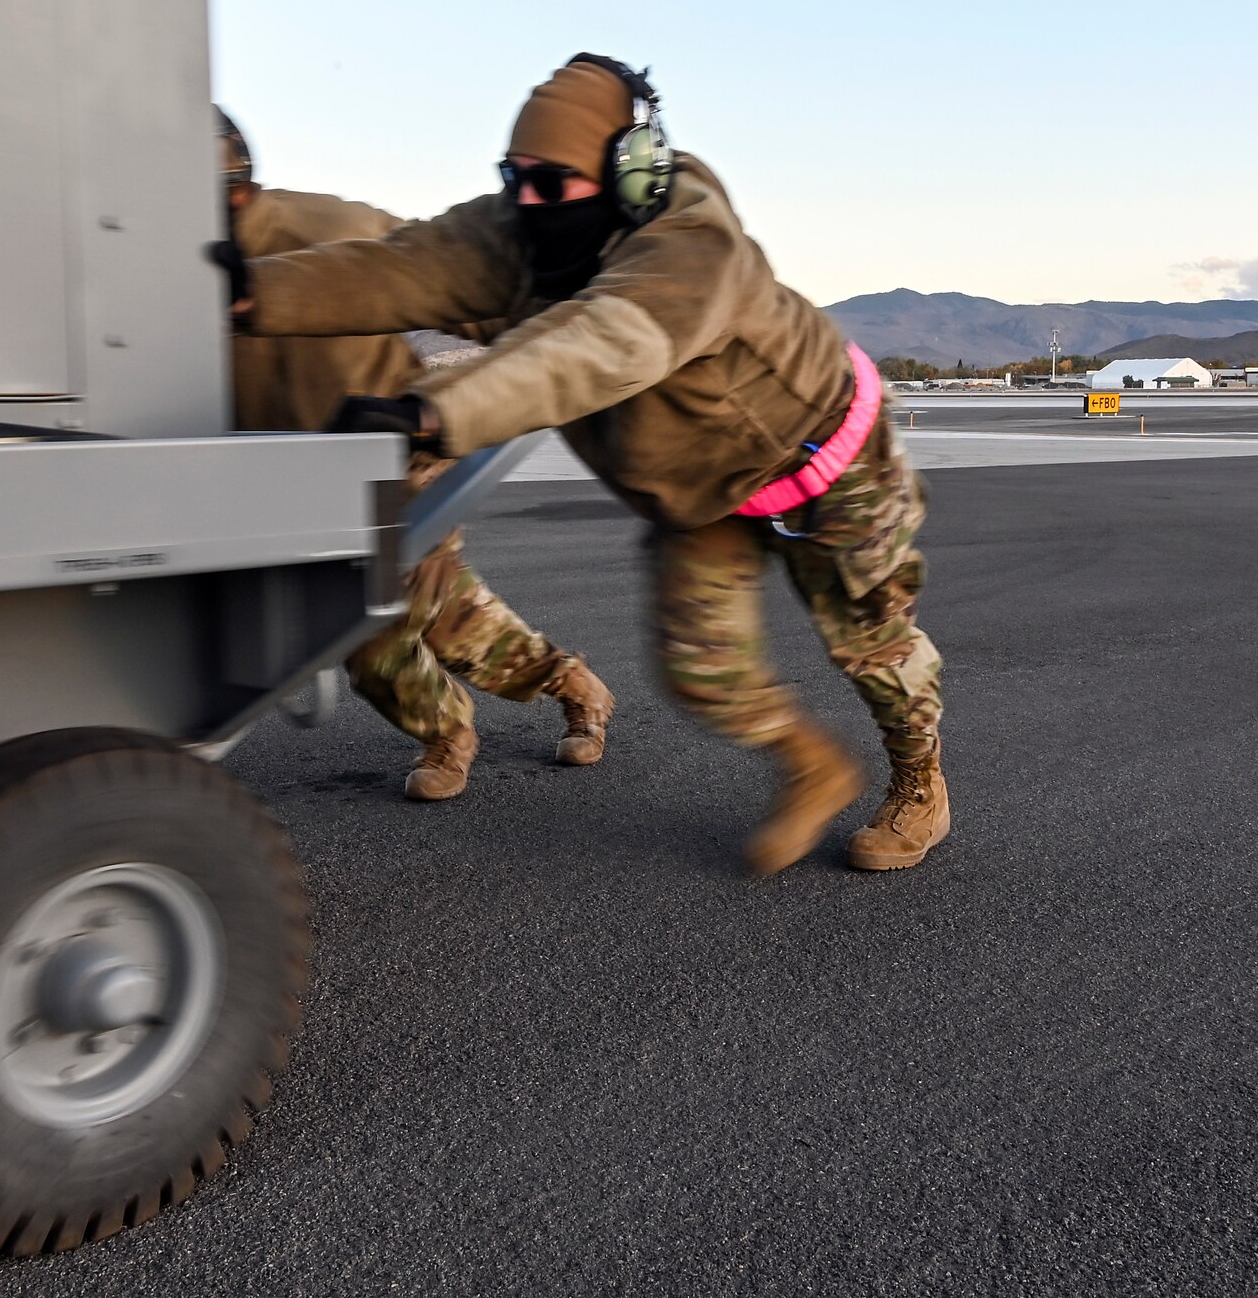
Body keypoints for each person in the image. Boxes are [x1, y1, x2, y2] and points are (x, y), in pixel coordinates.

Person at [217, 59, 948, 873]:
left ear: (632, 174)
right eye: (514, 177)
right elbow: (404, 264)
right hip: (706, 497)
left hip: (829, 464)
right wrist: (250, 294)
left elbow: (603, 344)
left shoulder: (692, 245)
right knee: (702, 672)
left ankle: (918, 781)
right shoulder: (519, 228)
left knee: (874, 648)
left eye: (552, 184)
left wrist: (439, 410)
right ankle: (813, 762)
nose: (528, 201)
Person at [215, 106, 615, 802]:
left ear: (236, 187)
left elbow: (457, 282)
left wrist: (532, 369)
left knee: (391, 614)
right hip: (291, 474)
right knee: (392, 629)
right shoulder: (155, 280)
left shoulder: (326, 228)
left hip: (396, 449)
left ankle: (475, 722)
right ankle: (532, 693)